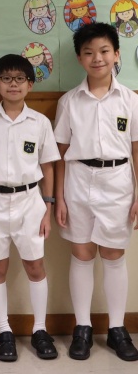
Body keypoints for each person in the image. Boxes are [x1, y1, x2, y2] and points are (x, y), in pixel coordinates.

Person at [0, 54, 60, 362]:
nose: (13, 84)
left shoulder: (40, 122)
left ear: (30, 84)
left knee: (35, 266)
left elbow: (48, 167)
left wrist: (47, 209)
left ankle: (40, 329)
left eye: (20, 79)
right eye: (6, 78)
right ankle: (3, 331)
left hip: (30, 201)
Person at [54, 22, 138, 362]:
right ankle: (83, 328)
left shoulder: (130, 100)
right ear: (79, 58)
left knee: (114, 254)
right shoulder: (69, 102)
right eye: (88, 53)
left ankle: (117, 328)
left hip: (118, 182)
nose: (97, 58)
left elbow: (136, 150)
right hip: (77, 181)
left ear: (116, 54)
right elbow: (59, 153)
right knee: (82, 252)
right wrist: (58, 198)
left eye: (104, 51)